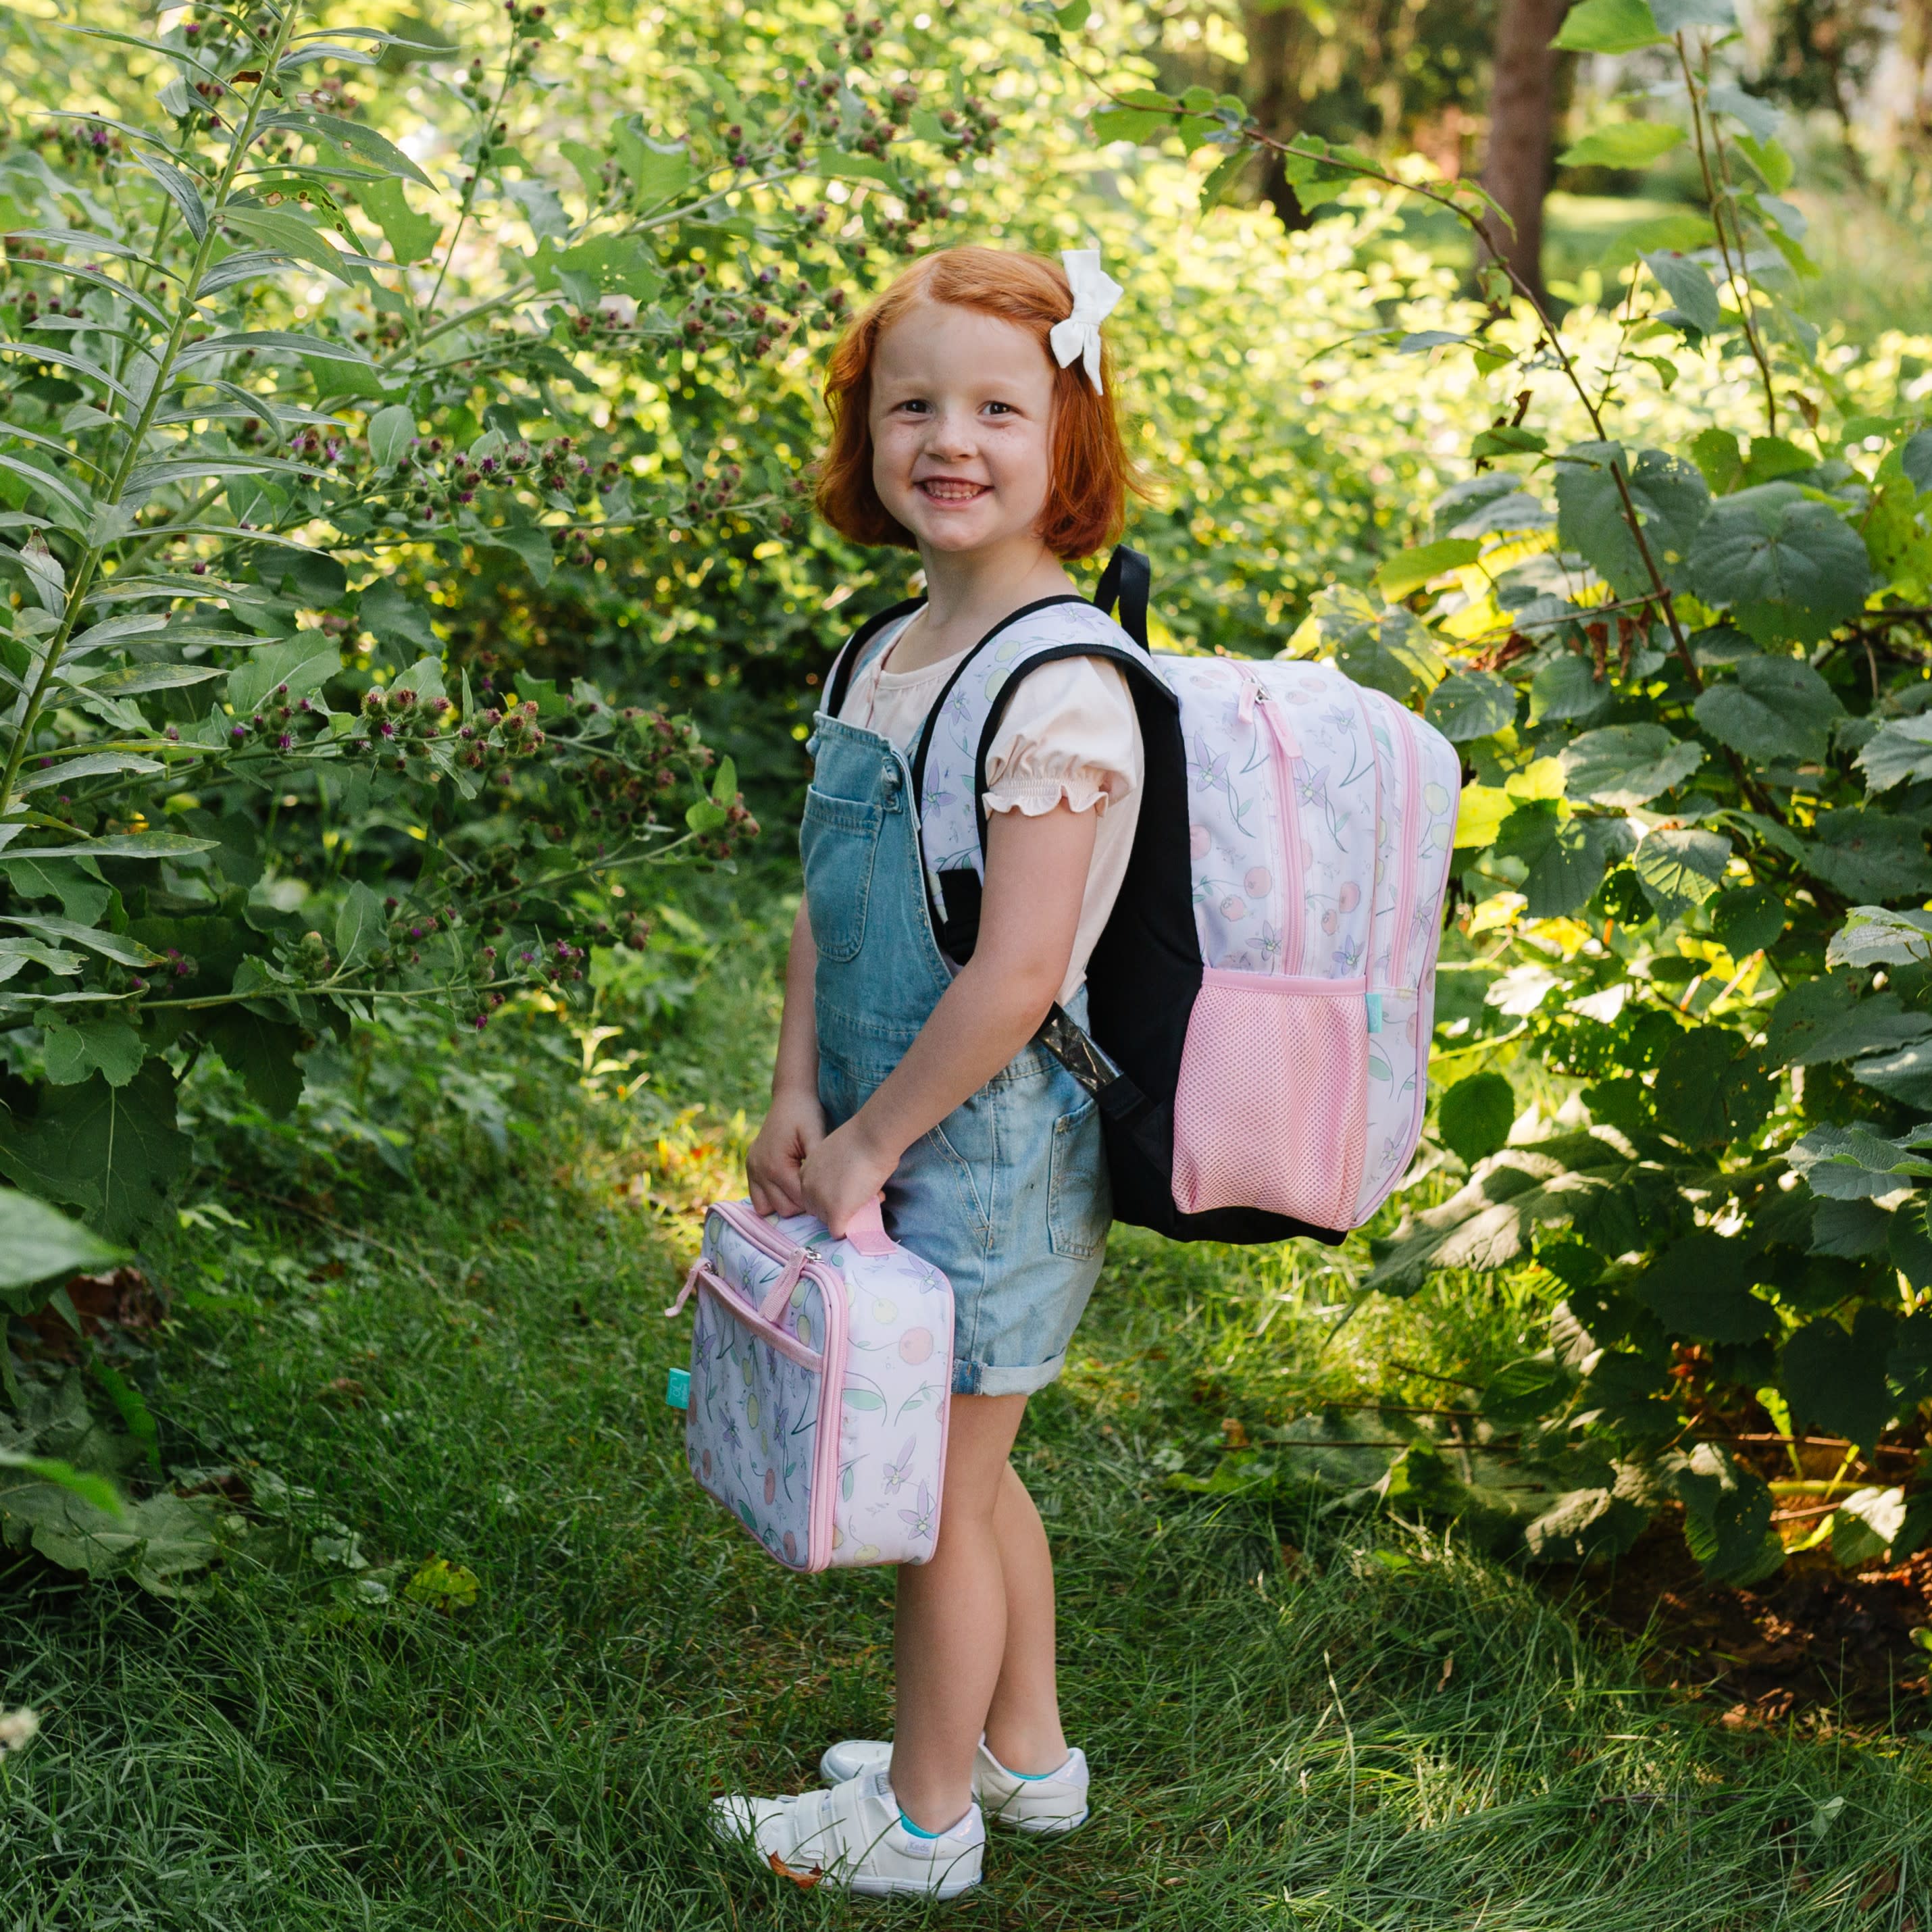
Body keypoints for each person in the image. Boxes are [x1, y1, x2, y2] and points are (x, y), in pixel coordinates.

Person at [711, 244, 1147, 1900]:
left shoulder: (1059, 686)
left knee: (933, 1499)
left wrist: (877, 1140)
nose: (946, 440)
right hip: (885, 1128)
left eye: (994, 408)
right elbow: (833, 906)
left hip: (987, 1148)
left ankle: (920, 1816)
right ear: (863, 432)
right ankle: (1023, 1754)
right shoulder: (880, 653)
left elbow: (1017, 974)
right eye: (912, 404)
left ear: (1068, 439)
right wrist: (797, 1094)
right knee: (978, 1463)